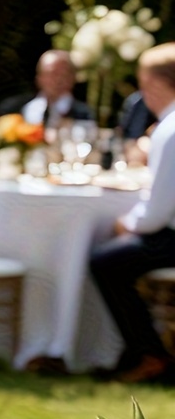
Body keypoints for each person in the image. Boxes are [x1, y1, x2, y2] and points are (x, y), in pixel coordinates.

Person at [87, 44, 175, 383]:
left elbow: (158, 210)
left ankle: (149, 354)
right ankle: (136, 350)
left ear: (153, 83)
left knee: (104, 262)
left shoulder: (168, 129)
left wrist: (127, 223)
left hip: (170, 236)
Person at [0, 50, 93, 128]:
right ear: (39, 78)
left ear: (73, 78)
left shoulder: (85, 115)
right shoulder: (13, 108)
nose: (58, 80)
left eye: (64, 74)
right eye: (52, 74)